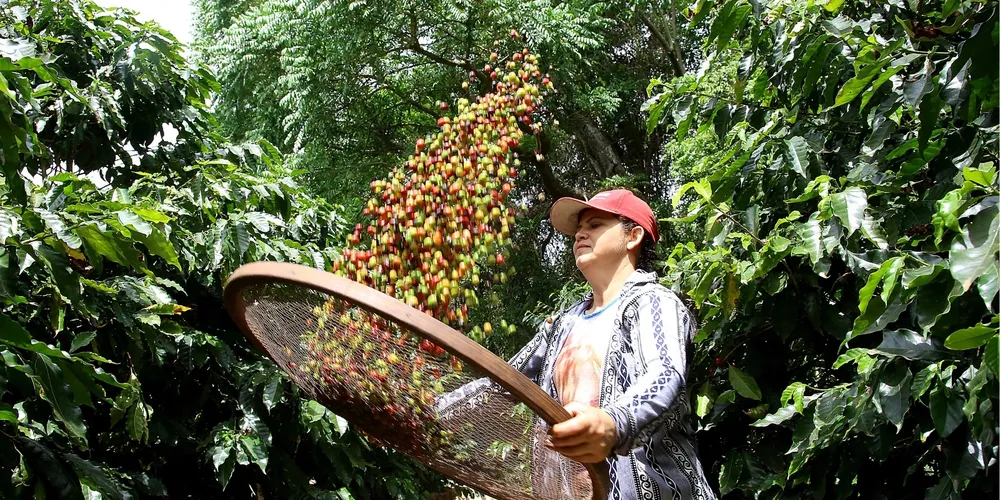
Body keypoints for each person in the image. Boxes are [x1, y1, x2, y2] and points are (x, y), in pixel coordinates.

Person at [510, 188, 715, 500]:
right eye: (578, 228)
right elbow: (502, 380)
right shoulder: (563, 324)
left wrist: (613, 422)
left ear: (632, 237)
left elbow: (665, 373)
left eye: (594, 225)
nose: (580, 233)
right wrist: (431, 411)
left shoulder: (653, 301)